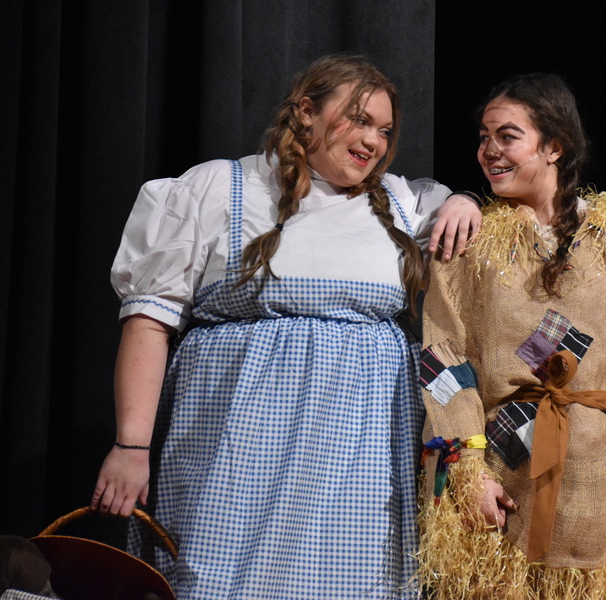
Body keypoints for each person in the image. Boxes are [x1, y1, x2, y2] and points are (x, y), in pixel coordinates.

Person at [89, 54, 481, 599]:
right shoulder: (219, 187)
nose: (373, 141)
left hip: (361, 462)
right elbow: (149, 322)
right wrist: (131, 447)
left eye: (385, 130)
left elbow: (470, 231)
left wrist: (464, 200)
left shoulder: (401, 202)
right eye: (359, 120)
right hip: (234, 453)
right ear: (305, 111)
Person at [417, 74, 606, 599]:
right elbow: (444, 361)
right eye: (483, 138)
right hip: (504, 480)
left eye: (507, 136)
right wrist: (467, 473)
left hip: (605, 483)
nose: (489, 151)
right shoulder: (469, 246)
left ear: (554, 146)